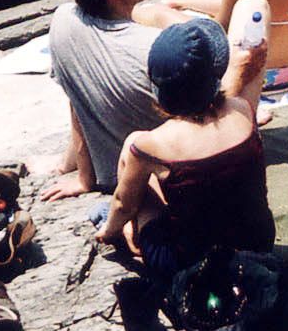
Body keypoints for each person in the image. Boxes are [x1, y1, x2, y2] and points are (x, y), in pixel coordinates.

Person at [97, 19, 275, 282]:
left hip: (192, 265)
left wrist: (108, 233)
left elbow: (124, 204)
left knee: (134, 162)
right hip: (257, 245)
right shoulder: (242, 110)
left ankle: (123, 231)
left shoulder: (150, 145)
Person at [44, 0, 187, 201]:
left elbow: (77, 98)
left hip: (111, 175)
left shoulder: (64, 20)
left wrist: (85, 178)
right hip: (171, 173)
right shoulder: (157, 48)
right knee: (251, 10)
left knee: (152, 13)